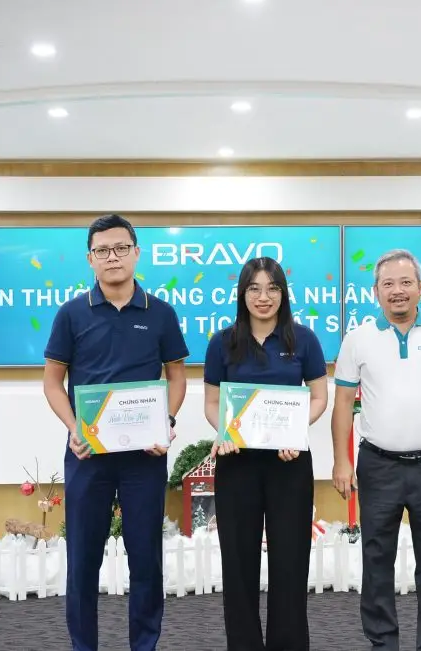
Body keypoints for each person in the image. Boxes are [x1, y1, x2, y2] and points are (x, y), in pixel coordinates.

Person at [42, 214, 189, 651]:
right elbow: (52, 383)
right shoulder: (71, 314)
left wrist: (167, 421)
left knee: (146, 560)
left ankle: (144, 645)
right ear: (90, 259)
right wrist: (74, 428)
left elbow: (177, 377)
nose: (113, 257)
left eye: (121, 248)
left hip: (145, 457)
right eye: (102, 250)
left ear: (136, 253)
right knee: (82, 561)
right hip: (88, 455)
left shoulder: (161, 313)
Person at [330, 249, 421, 651]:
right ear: (375, 291)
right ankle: (382, 643)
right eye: (388, 284)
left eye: (406, 282)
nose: (397, 291)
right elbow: (342, 405)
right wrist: (341, 461)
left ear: (420, 288)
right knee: (377, 559)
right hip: (377, 465)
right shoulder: (358, 339)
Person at [203, 257, 329, 651]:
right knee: (238, 564)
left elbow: (319, 396)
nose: (263, 297)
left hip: (288, 463)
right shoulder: (222, 342)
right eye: (254, 288)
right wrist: (224, 432)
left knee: (290, 562)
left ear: (283, 294)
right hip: (236, 463)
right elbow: (212, 403)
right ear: (242, 294)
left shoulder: (303, 339)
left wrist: (296, 430)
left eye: (272, 288)